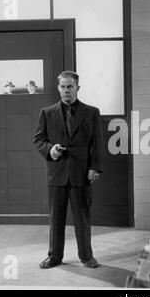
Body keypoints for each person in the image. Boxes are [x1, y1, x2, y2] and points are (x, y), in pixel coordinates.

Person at [33, 71, 104, 269]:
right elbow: (38, 139)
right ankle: (54, 256)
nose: (66, 90)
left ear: (77, 88)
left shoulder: (91, 112)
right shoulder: (46, 113)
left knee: (82, 218)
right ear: (58, 88)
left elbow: (97, 143)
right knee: (56, 218)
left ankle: (87, 257)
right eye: (63, 87)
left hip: (82, 174)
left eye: (70, 87)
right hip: (57, 173)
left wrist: (95, 167)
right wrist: (50, 149)